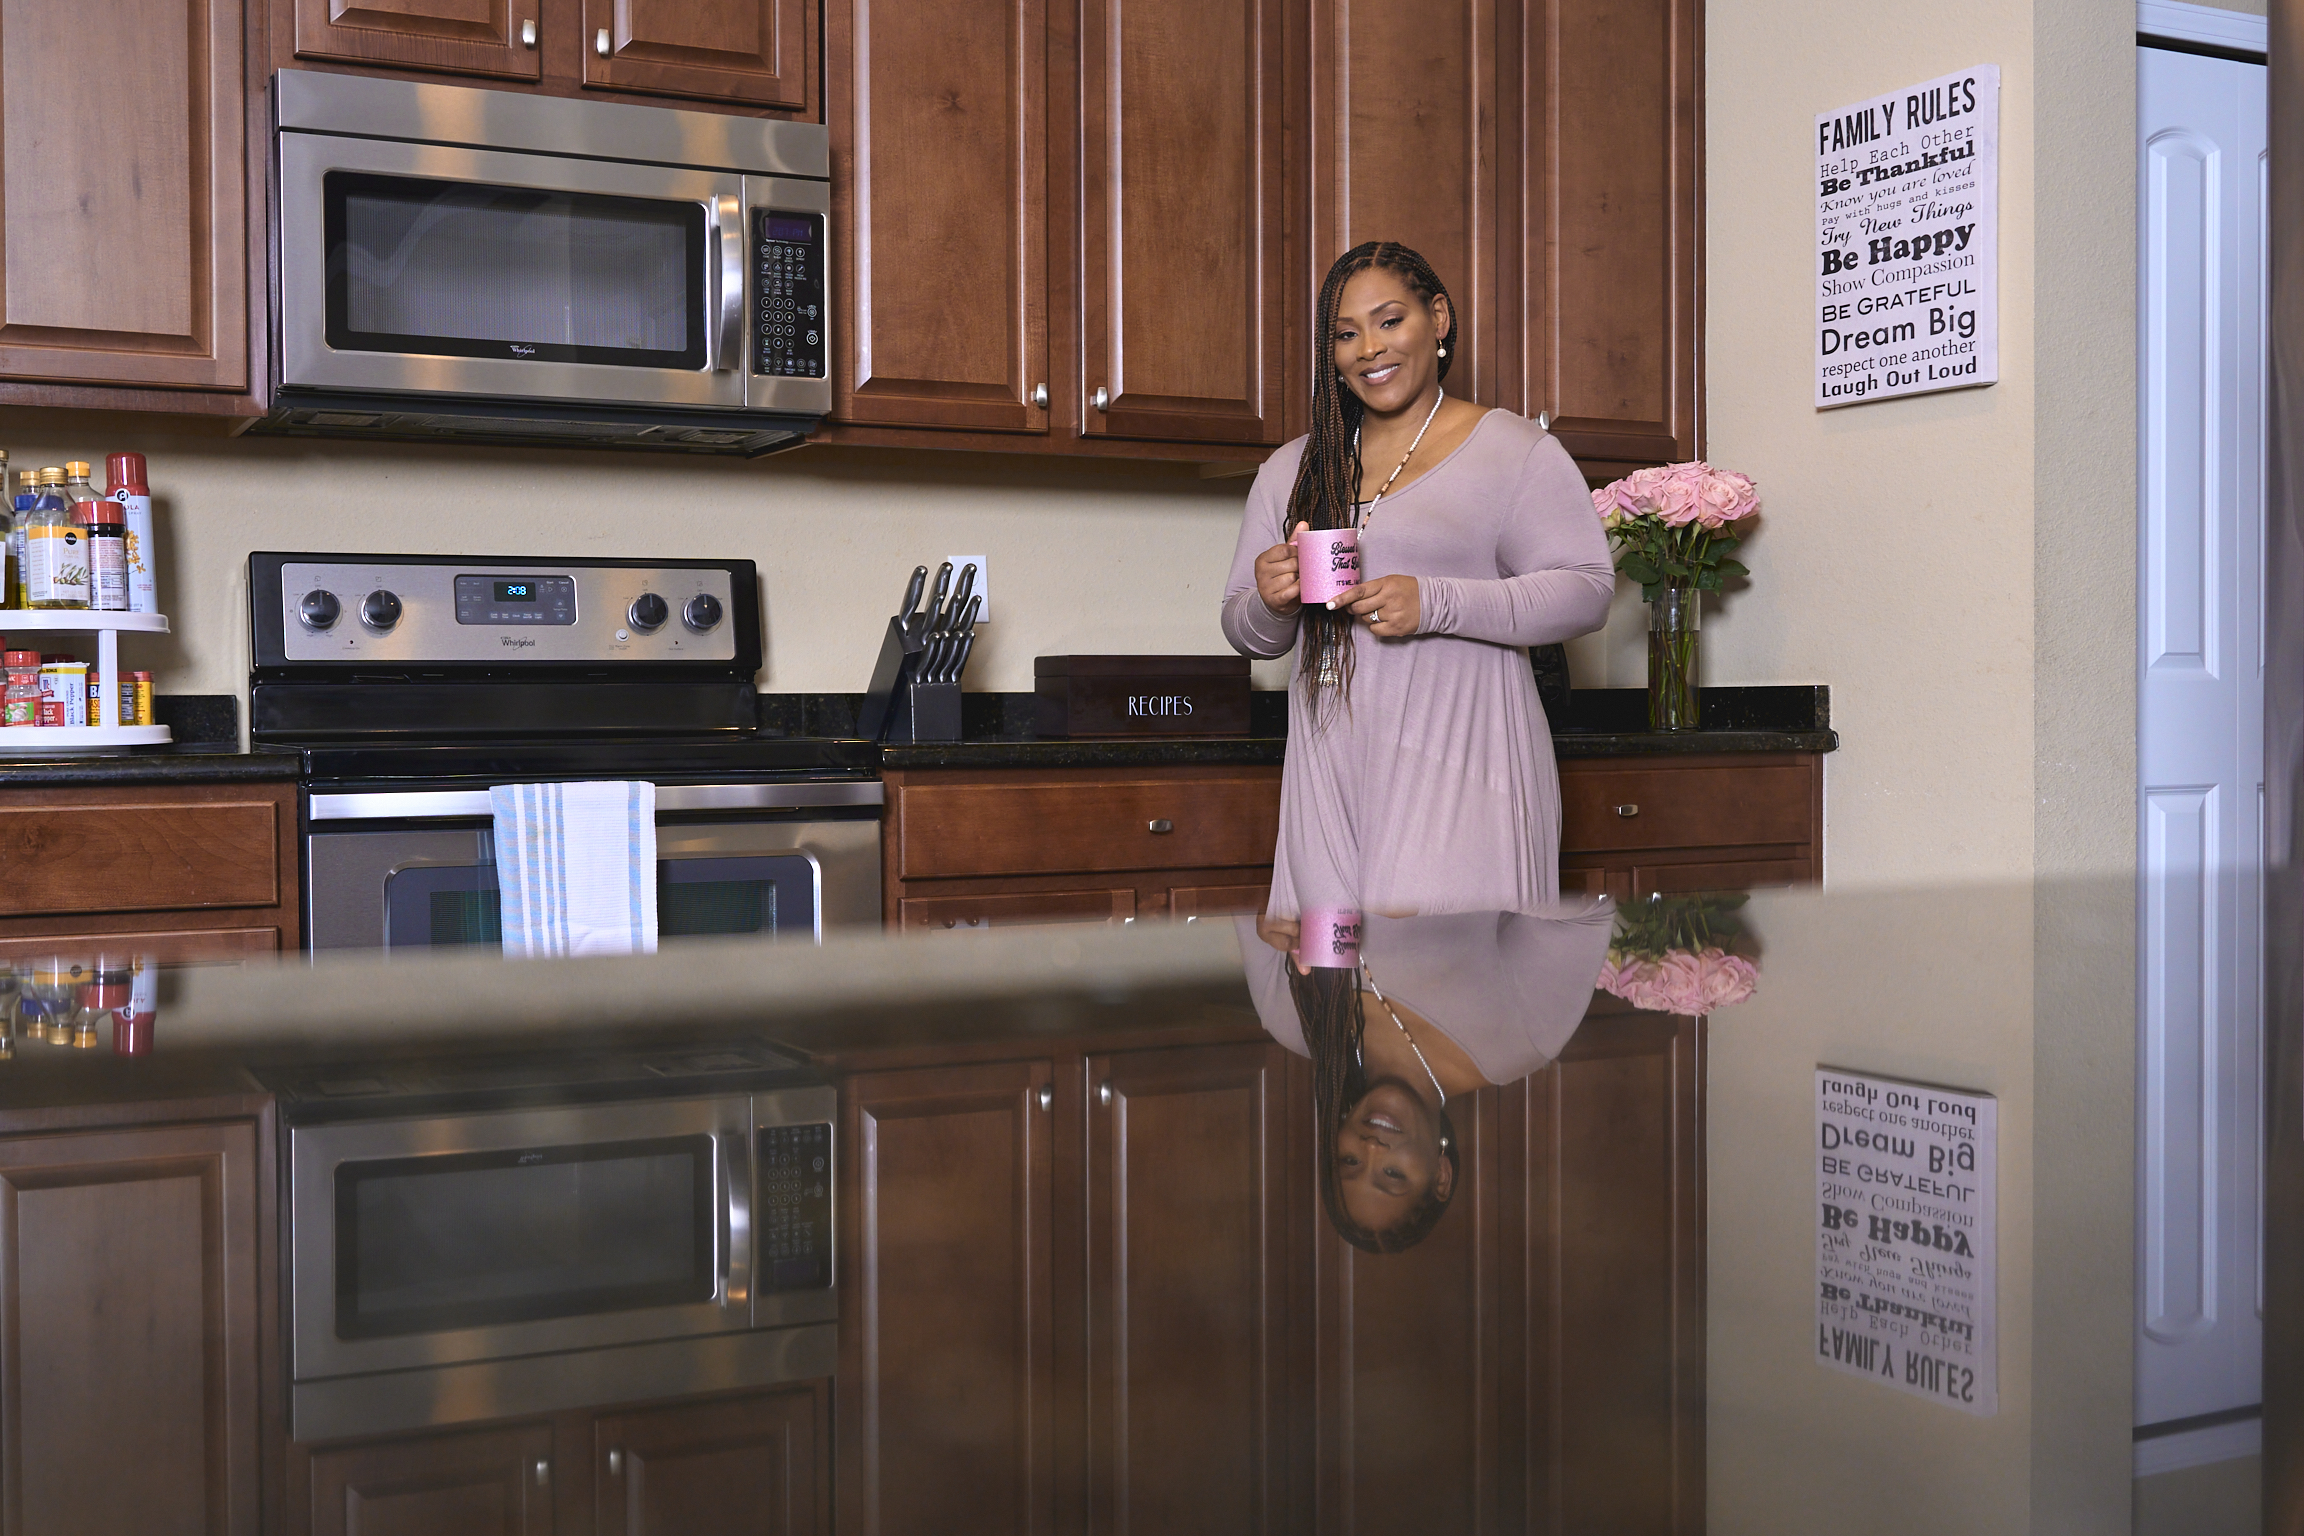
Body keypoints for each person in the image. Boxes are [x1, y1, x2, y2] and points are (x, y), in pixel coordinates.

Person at [1220, 241, 1615, 921]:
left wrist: (1434, 601)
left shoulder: (1513, 450)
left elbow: (1587, 589)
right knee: (1333, 993)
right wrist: (1270, 597)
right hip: (1327, 770)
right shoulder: (1293, 470)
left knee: (1444, 996)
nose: (1369, 348)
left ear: (1438, 318)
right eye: (1345, 334)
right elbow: (1246, 633)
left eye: (1389, 320)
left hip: (1466, 763)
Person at [1240, 903, 1614, 1251]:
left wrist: (1262, 903)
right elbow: (1588, 908)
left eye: (1349, 1162)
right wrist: (1430, 891)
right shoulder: (1520, 1040)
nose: (1370, 1148)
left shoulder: (1296, 1016)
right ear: (1440, 1175)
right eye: (1392, 1174)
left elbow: (1239, 869)